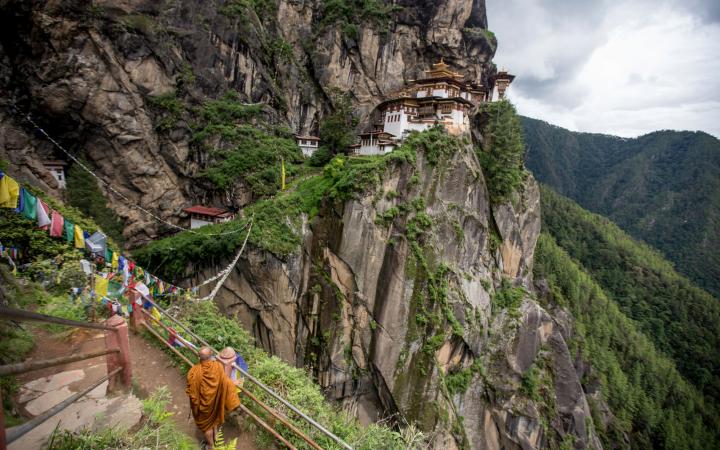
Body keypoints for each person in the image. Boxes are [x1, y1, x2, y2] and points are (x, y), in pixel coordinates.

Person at [186, 347, 241, 449]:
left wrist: (195, 407)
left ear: (199, 357)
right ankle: (215, 440)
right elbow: (225, 382)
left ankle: (210, 445)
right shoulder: (217, 366)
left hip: (203, 406)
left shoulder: (194, 372)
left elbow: (192, 394)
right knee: (214, 420)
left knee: (207, 427)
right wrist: (234, 383)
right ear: (211, 356)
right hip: (216, 401)